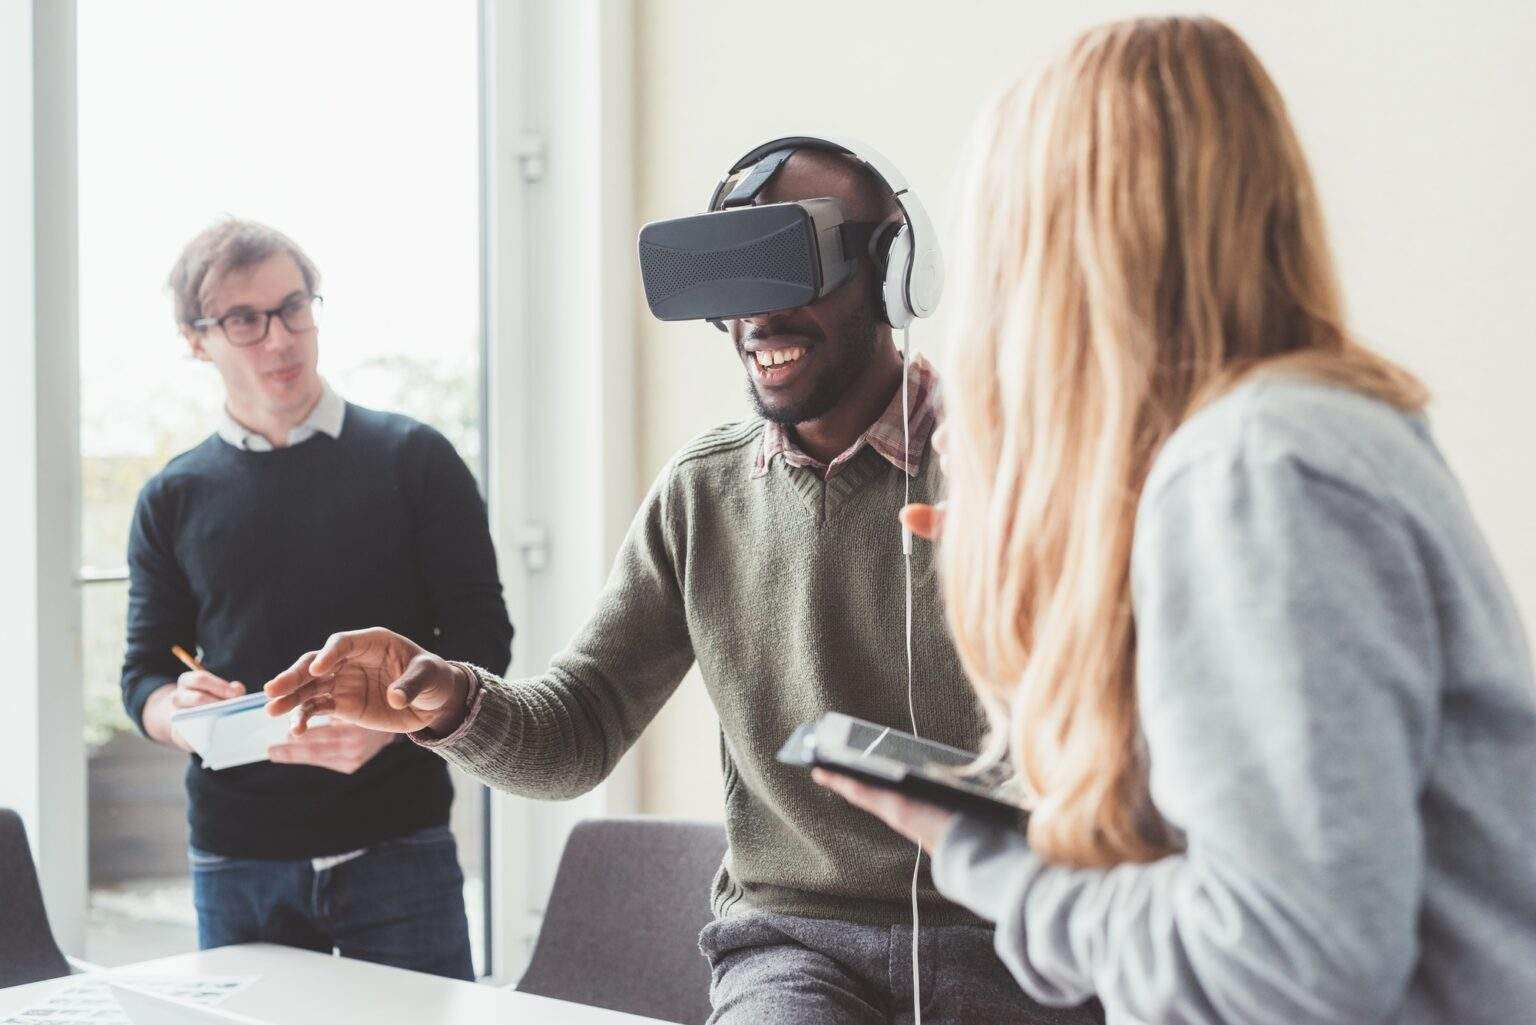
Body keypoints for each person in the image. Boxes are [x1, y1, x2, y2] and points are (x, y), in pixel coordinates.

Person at [265, 146, 1100, 1024]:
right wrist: (446, 700)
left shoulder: (1017, 465)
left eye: (793, 268)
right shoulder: (703, 493)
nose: (758, 316)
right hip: (794, 944)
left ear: (891, 274)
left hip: (1013, 933)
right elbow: (578, 731)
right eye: (732, 278)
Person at [816, 15, 1536, 1025]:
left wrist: (989, 859)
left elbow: (1285, 969)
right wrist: (1048, 599)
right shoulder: (1313, 437)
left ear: (1055, 259)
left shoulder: (1255, 470)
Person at [120, 219, 513, 979]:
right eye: (245, 319)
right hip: (239, 858)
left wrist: (396, 725)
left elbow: (482, 640)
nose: (280, 339)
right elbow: (142, 673)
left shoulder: (415, 460)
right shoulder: (171, 496)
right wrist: (181, 711)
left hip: (399, 841)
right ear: (197, 339)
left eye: (294, 306)